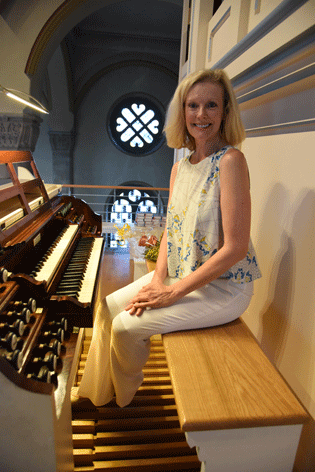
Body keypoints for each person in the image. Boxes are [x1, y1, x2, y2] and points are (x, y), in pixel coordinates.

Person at [72, 68, 261, 408]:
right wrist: (158, 279)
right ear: (182, 112)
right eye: (192, 105)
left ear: (226, 111)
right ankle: (98, 393)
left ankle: (123, 399)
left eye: (211, 106)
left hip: (224, 287)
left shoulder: (231, 162)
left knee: (126, 328)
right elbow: (171, 234)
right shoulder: (180, 167)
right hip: (180, 274)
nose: (201, 115)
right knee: (107, 307)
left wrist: (171, 292)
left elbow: (234, 248)